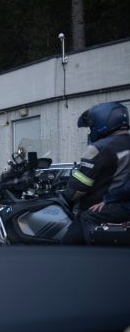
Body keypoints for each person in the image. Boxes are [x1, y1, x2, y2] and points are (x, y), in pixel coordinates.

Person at [61, 102, 130, 244]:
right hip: (123, 204)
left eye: (92, 126)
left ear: (102, 122)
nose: (91, 130)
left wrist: (67, 194)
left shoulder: (98, 148)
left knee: (67, 246)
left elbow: (77, 189)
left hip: (101, 208)